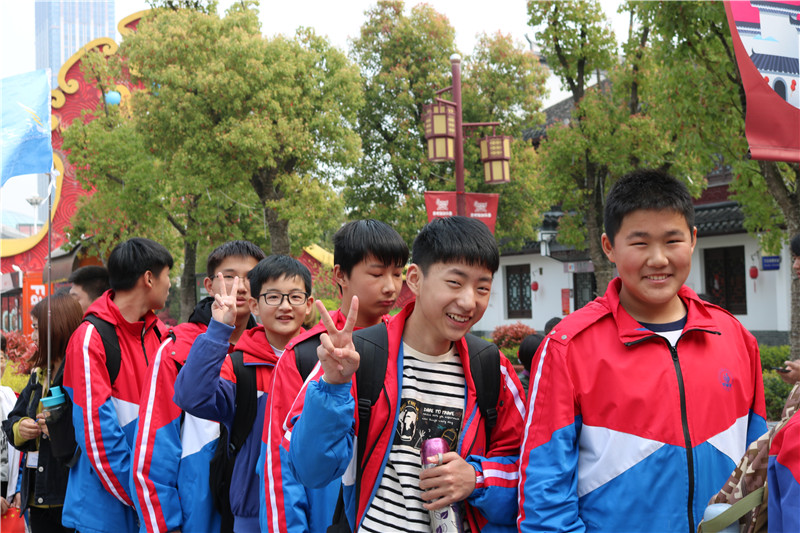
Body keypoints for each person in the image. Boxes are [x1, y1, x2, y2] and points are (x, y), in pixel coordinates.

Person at [517, 169, 767, 532]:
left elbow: (759, 467)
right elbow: (545, 499)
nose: (658, 259)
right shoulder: (567, 348)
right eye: (640, 243)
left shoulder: (735, 338)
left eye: (672, 240)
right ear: (609, 246)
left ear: (693, 239)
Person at [286, 216, 526, 532]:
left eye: (482, 287)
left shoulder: (492, 369)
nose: (469, 301)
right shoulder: (356, 357)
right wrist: (333, 385)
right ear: (414, 278)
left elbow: (530, 470)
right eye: (455, 283)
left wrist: (477, 478)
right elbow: (310, 469)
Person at [259, 219, 408, 533]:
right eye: (377, 273)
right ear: (340, 274)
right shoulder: (304, 355)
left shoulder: (405, 347)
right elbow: (279, 463)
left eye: (398, 274)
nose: (391, 287)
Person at [131, 240, 264, 533]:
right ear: (209, 285)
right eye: (230, 277)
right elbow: (154, 448)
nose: (241, 287)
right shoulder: (177, 350)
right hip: (195, 520)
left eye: (250, 277)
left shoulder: (270, 351)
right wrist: (165, 525)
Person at [174, 255, 314, 533]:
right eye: (273, 297)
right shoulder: (239, 366)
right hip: (253, 515)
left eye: (295, 297)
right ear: (254, 305)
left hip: (319, 512)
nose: (285, 306)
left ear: (308, 304)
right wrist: (218, 331)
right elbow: (191, 397)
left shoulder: (323, 362)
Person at [62, 237, 173, 533]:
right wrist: (146, 501)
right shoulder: (90, 338)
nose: (169, 284)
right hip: (105, 514)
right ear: (148, 278)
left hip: (154, 510)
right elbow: (98, 438)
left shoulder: (161, 335)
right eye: (167, 275)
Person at [2, 294, 83, 532]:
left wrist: (57, 428)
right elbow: (12, 420)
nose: (33, 336)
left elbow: (87, 430)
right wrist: (21, 428)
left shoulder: (78, 372)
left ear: (56, 327)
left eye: (37, 328)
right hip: (37, 496)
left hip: (68, 495)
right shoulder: (39, 374)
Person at [0, 335, 21, 516]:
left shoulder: (11, 398)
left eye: (0, 358)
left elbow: (24, 451)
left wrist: (20, 488)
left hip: (9, 503)